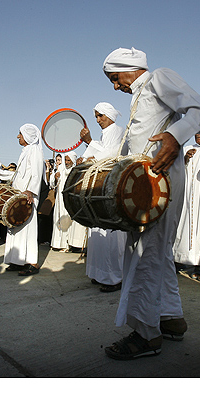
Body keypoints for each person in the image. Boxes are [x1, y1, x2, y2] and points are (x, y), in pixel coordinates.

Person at [102, 47, 200, 359]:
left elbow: (199, 108)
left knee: (146, 255)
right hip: (143, 189)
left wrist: (175, 138)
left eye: (114, 78)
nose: (114, 86)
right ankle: (171, 319)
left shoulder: (159, 78)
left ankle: (146, 335)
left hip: (158, 187)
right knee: (156, 253)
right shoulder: (140, 97)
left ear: (128, 67)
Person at [80, 102, 127, 292]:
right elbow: (96, 151)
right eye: (96, 117)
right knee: (98, 233)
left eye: (101, 116)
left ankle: (114, 278)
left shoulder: (118, 131)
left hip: (111, 190)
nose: (98, 120)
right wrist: (84, 157)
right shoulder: (104, 135)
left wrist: (90, 143)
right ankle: (100, 273)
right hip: (100, 188)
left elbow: (113, 155)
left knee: (110, 236)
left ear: (109, 116)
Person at [173, 120, 200, 278]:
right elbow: (177, 169)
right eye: (197, 130)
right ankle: (178, 259)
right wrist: (184, 160)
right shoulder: (188, 149)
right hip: (186, 195)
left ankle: (199, 263)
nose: (198, 133)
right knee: (181, 226)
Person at [2, 124, 43, 276]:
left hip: (28, 196)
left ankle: (32, 262)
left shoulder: (35, 150)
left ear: (27, 136)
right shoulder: (25, 151)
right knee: (16, 228)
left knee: (28, 229)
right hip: (19, 195)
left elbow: (37, 173)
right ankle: (17, 260)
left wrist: (31, 191)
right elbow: (18, 175)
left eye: (20, 134)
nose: (18, 136)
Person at [50, 153, 73, 251]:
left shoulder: (74, 170)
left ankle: (65, 245)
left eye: (69, 160)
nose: (66, 163)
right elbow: (52, 183)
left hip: (68, 201)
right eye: (66, 160)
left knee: (66, 221)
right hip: (59, 200)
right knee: (57, 219)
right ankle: (56, 243)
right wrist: (55, 177)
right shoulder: (60, 169)